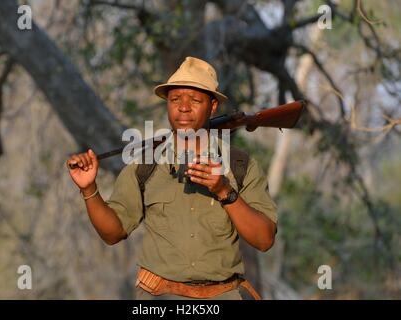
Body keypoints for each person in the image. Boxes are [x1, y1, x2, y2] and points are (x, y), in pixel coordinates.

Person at [66, 57, 277, 300]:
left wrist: (223, 191)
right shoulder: (145, 165)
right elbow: (113, 234)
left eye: (195, 100)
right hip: (159, 296)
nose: (183, 108)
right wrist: (89, 189)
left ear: (213, 106)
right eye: (175, 99)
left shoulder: (240, 165)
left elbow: (264, 240)